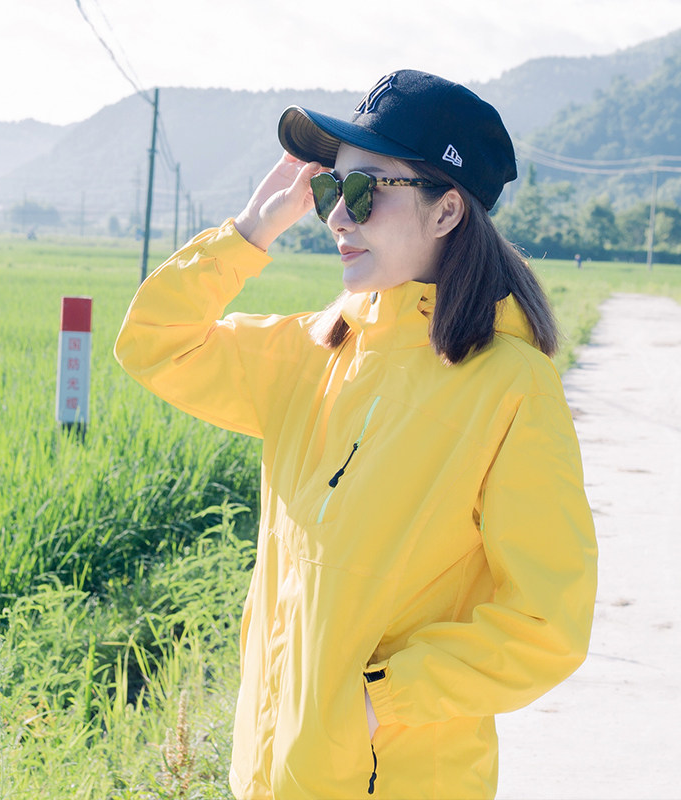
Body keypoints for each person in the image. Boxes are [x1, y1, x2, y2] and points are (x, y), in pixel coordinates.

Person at [114, 70, 597, 800]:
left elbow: (546, 623)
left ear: (447, 210)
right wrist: (249, 232)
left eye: (365, 191)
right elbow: (154, 343)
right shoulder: (317, 351)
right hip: (271, 775)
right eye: (329, 190)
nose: (338, 216)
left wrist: (378, 701)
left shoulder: (510, 389)